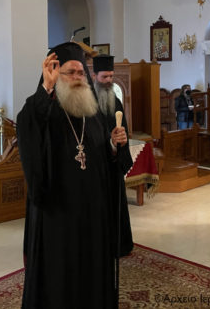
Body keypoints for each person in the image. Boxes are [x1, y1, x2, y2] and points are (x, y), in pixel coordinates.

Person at [17, 42, 131, 309]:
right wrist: (45, 89)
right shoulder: (42, 109)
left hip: (93, 214)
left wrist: (114, 146)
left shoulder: (92, 113)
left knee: (92, 269)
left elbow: (102, 158)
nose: (78, 78)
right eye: (70, 72)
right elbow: (28, 127)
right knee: (61, 274)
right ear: (56, 74)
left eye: (81, 72)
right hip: (58, 214)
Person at [91, 53, 134, 258]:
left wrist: (121, 142)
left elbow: (123, 128)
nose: (109, 81)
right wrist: (108, 142)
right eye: (104, 77)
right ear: (94, 76)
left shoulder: (115, 101)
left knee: (116, 205)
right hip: (96, 165)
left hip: (113, 163)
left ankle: (120, 245)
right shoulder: (87, 104)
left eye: (111, 76)